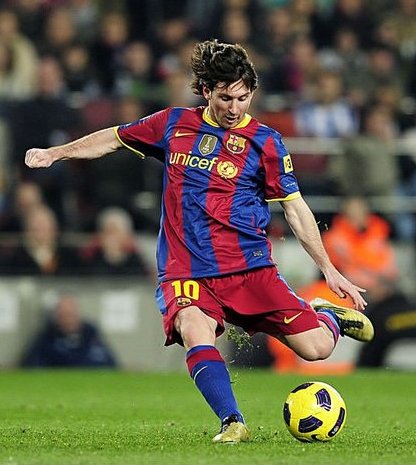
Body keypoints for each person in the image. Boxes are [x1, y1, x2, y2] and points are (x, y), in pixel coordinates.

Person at [25, 39, 374, 444]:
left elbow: (295, 208)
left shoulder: (266, 142)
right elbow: (114, 138)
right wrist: (57, 153)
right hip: (186, 269)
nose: (235, 108)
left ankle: (327, 317)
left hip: (249, 268)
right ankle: (232, 421)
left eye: (243, 98)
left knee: (317, 349)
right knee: (193, 327)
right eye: (225, 98)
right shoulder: (173, 124)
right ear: (206, 91)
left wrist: (328, 269)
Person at [21, 293, 117, 368]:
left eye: (71, 315)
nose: (68, 320)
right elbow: (30, 365)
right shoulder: (47, 336)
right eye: (64, 315)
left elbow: (111, 364)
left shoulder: (90, 334)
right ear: (57, 316)